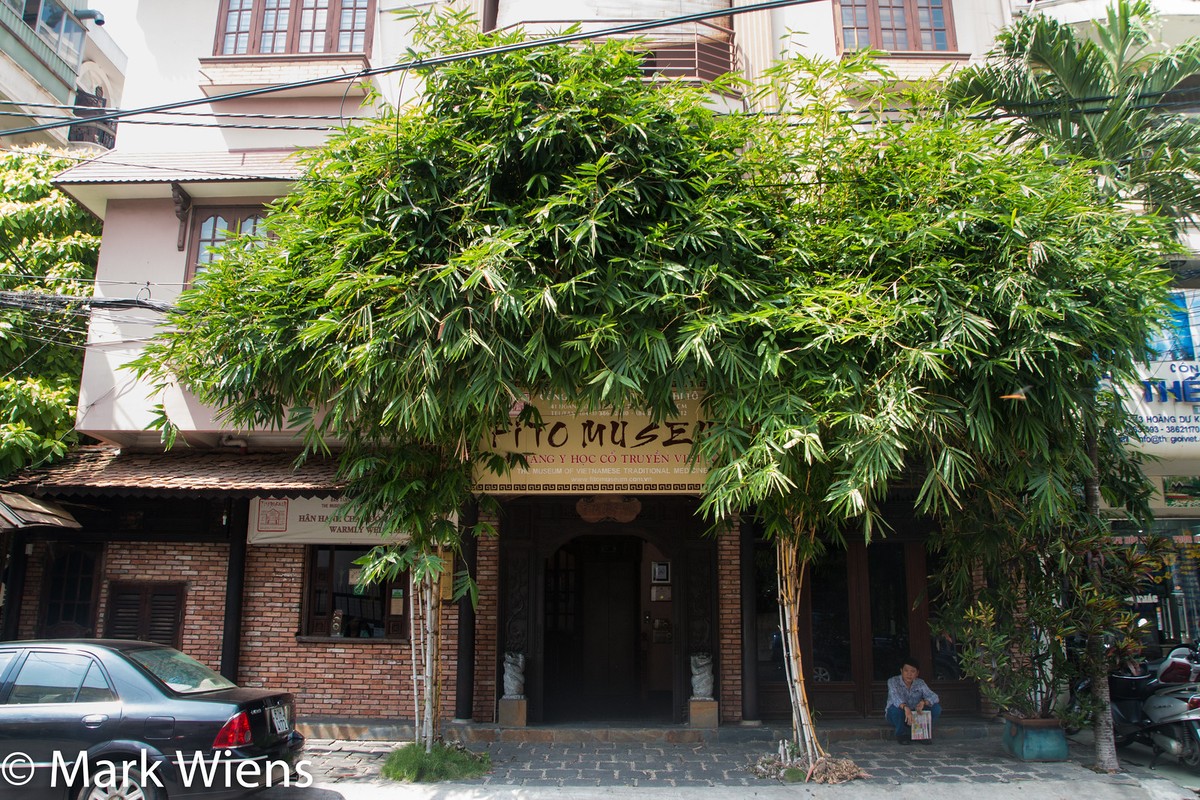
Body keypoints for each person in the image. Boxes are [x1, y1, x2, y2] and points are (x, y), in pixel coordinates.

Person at [885, 657, 941, 745]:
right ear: (901, 671)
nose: (909, 674)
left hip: (915, 714)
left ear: (917, 673)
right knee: (895, 710)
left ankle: (922, 733)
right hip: (900, 713)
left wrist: (924, 702)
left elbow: (934, 697)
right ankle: (902, 734)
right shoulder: (892, 681)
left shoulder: (920, 683)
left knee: (936, 708)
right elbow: (894, 698)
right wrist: (905, 708)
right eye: (906, 671)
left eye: (912, 671)